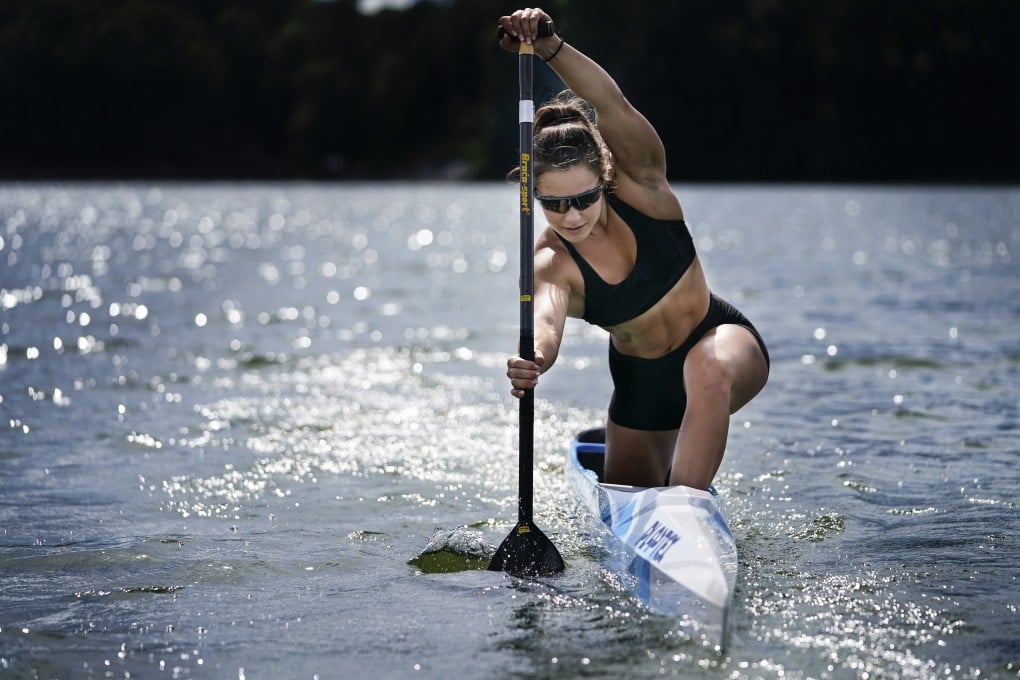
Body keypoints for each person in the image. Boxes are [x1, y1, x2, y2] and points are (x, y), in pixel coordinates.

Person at [498, 8, 770, 490]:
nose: (572, 216)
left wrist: (549, 47)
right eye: (553, 204)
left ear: (605, 178)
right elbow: (546, 321)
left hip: (721, 342)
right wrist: (534, 358)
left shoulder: (644, 187)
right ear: (533, 195)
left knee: (706, 367)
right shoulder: (551, 262)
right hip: (642, 388)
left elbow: (610, 103)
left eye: (584, 198)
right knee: (629, 491)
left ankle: (687, 504)